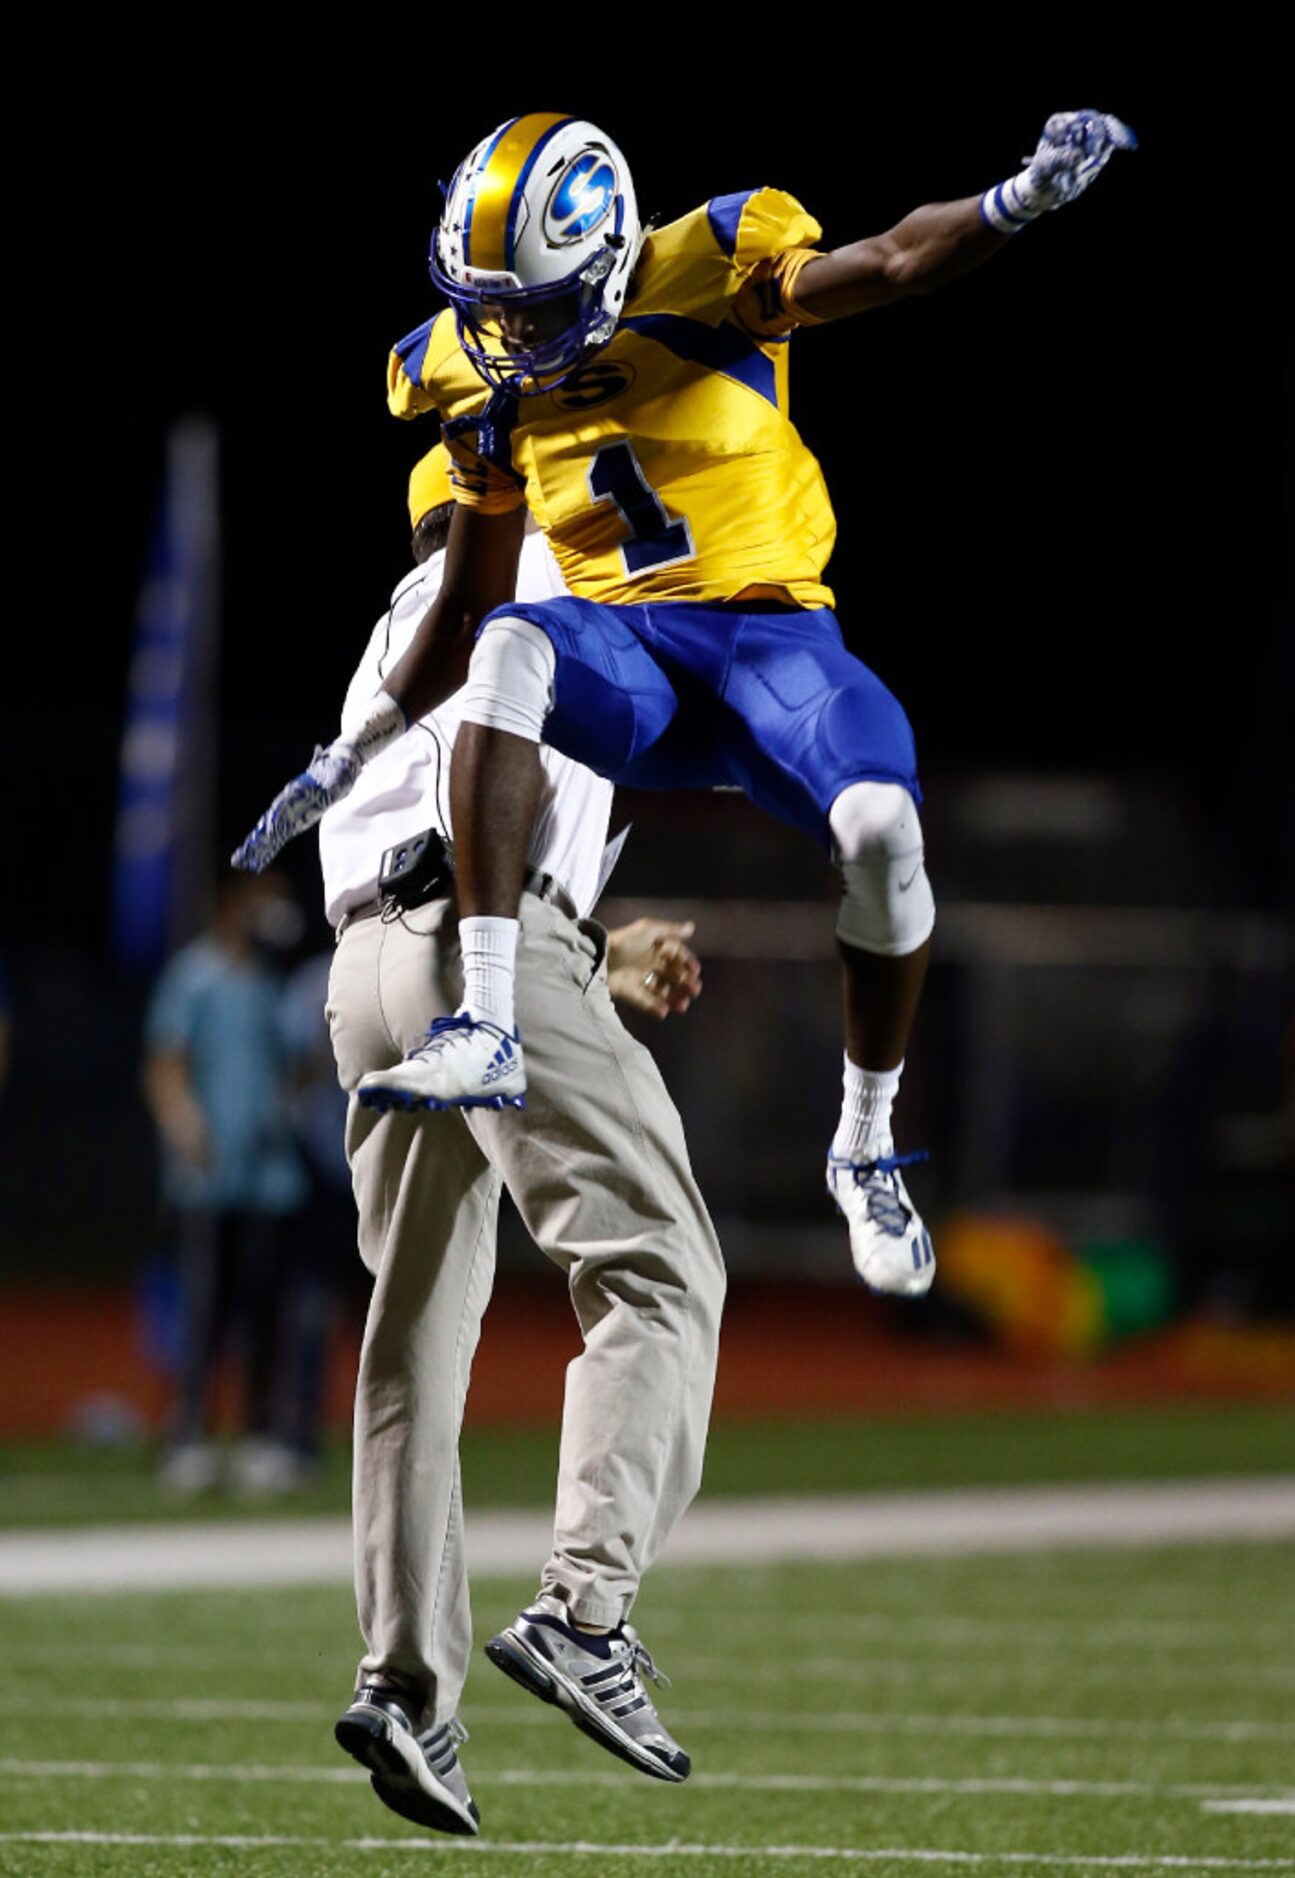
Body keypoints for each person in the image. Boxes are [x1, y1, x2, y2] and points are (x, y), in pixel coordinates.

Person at [234, 108, 1134, 1307]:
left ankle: (864, 1141)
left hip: (765, 640)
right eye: (487, 307)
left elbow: (889, 262)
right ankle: (488, 1022)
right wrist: (344, 754)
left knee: (879, 833)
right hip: (630, 663)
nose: (506, 336)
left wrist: (1010, 202)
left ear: (607, 258)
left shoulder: (707, 270)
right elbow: (463, 605)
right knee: (511, 644)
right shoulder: (473, 374)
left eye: (530, 307)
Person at [302, 445, 724, 1837]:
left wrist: (590, 951)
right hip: (486, 939)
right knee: (658, 1262)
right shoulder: (551, 568)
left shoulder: (390, 635)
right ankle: (583, 1607)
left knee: (411, 1335)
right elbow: (499, 857)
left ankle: (406, 1682)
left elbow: (442, 842)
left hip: (364, 970)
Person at [141, 872, 310, 1494]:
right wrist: (187, 1130)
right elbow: (164, 1065)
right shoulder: (195, 977)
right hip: (209, 1175)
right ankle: (187, 1435)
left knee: (266, 1309)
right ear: (231, 906)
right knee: (203, 1308)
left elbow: (298, 1066)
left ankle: (263, 1437)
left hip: (269, 1174)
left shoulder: (271, 985)